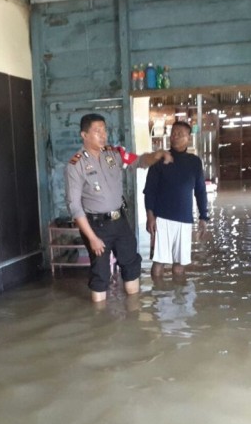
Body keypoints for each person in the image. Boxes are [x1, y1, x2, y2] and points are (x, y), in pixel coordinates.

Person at [65, 113, 172, 303]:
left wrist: (157, 155)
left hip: (120, 221)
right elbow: (75, 207)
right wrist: (92, 238)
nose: (103, 135)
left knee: (131, 265)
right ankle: (100, 322)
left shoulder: (114, 154)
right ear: (84, 135)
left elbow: (139, 161)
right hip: (97, 226)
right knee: (100, 274)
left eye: (104, 130)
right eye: (97, 131)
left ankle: (134, 314)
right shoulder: (76, 165)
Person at [144, 121, 209, 278]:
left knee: (180, 265)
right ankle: (158, 298)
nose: (175, 136)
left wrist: (203, 217)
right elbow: (149, 191)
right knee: (158, 262)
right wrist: (150, 217)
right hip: (162, 219)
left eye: (180, 134)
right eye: (173, 133)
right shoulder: (159, 160)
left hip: (185, 220)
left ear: (188, 138)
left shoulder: (194, 162)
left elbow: (200, 191)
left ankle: (180, 298)